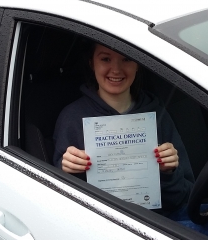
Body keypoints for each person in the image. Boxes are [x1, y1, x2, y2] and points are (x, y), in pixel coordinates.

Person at [53, 43, 194, 216]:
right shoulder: (72, 118)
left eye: (126, 59)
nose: (116, 70)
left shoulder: (157, 114)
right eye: (106, 59)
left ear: (138, 65)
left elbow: (183, 198)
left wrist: (168, 173)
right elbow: (62, 203)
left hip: (162, 225)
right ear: (92, 63)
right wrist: (66, 168)